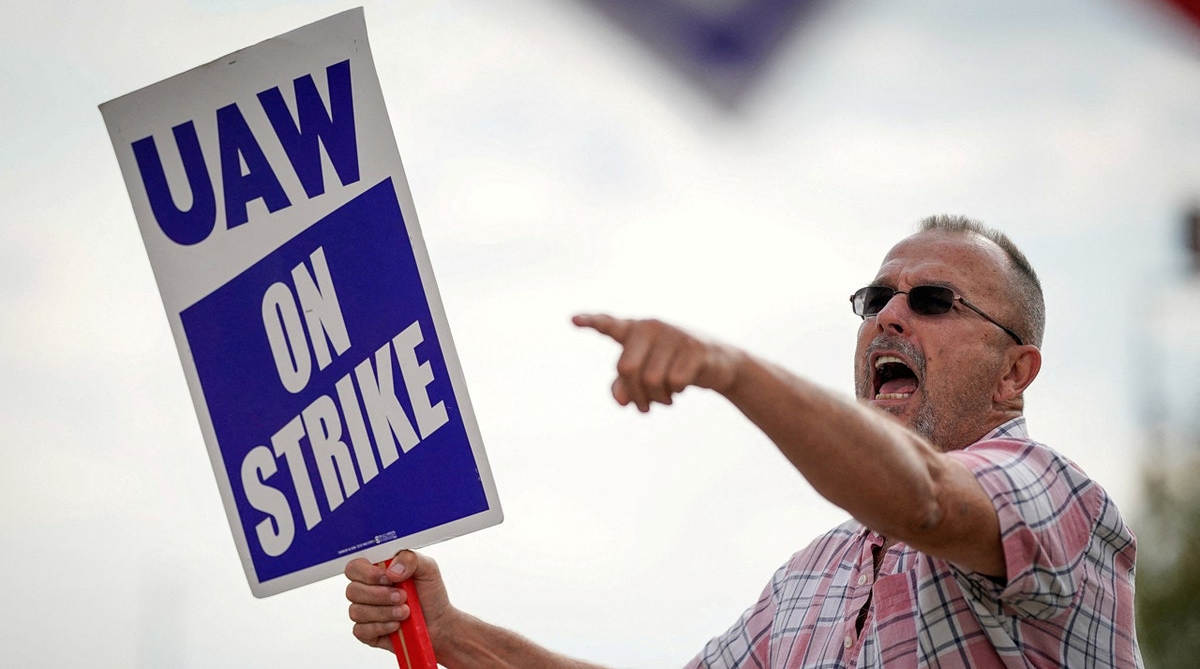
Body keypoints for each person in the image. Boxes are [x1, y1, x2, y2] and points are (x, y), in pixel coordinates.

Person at [344, 216, 1143, 667]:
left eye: (934, 299)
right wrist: (450, 632)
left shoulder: (1058, 500)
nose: (888, 317)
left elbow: (927, 499)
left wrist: (729, 366)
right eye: (875, 298)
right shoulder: (812, 578)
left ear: (1015, 373)